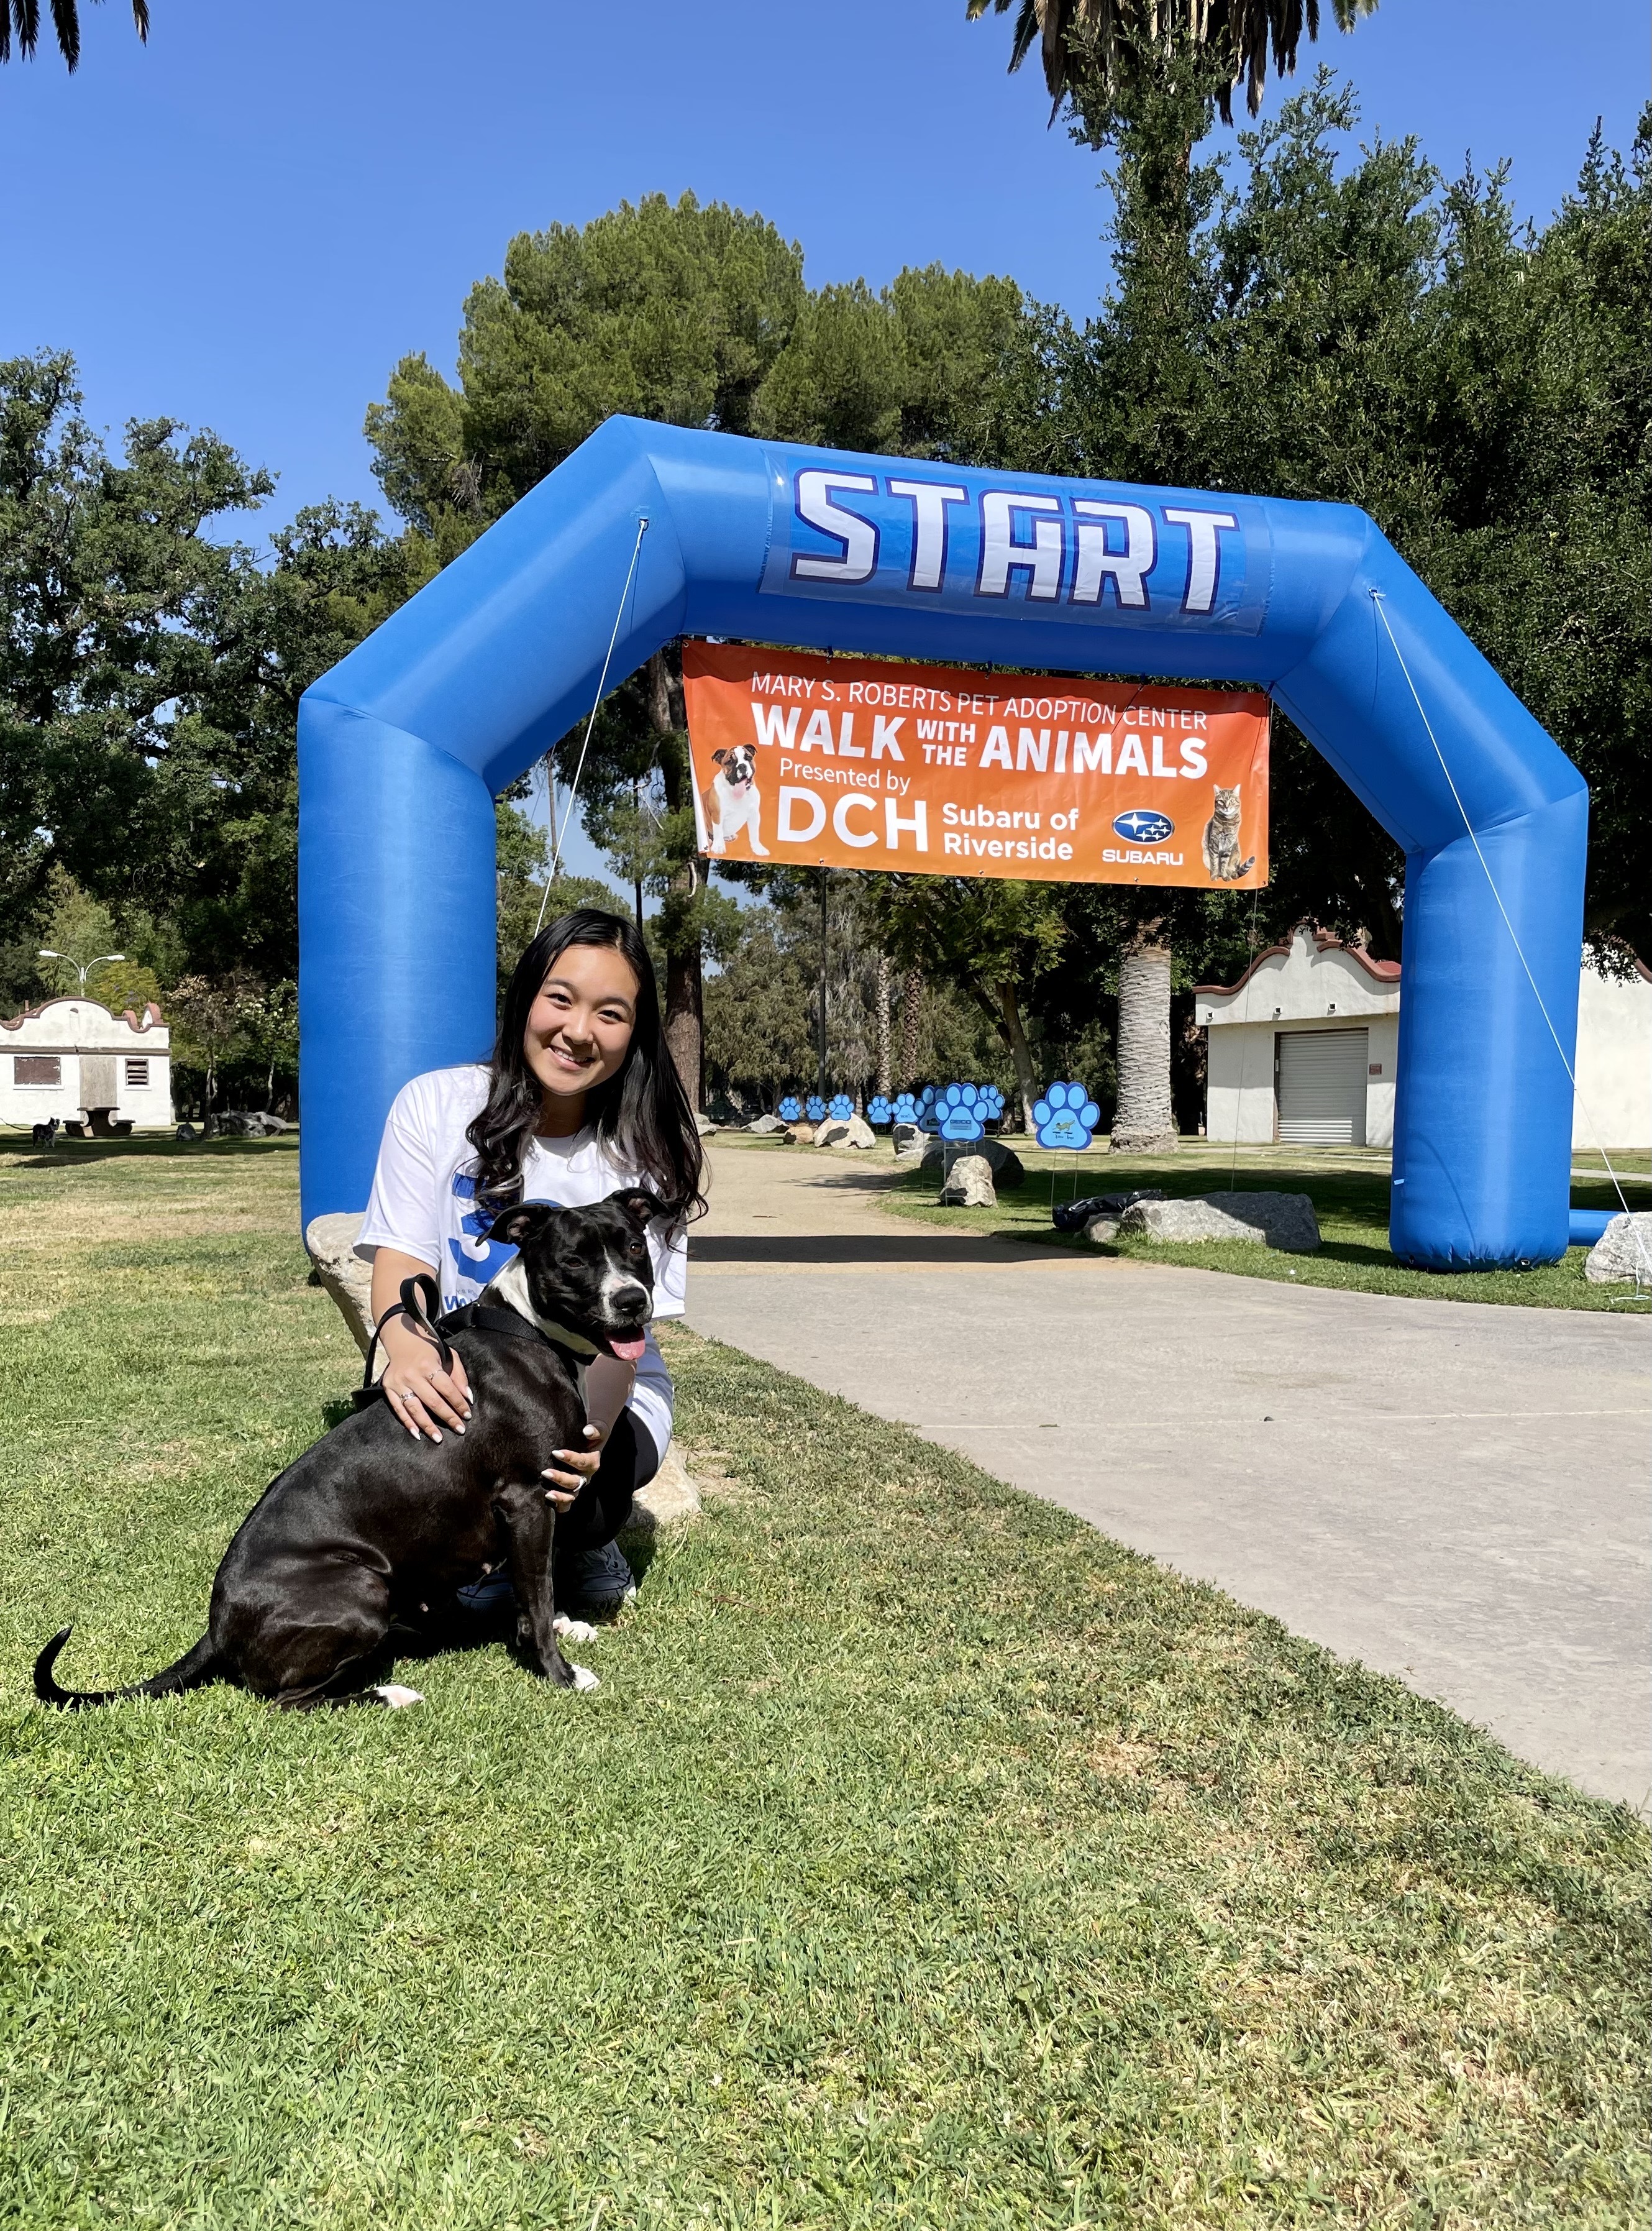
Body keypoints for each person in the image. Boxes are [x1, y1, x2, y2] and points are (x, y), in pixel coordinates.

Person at [354, 907, 705, 1613]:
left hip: (599, 1377)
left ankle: (576, 1541)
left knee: (585, 1495)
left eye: (611, 1013)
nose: (579, 1031)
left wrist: (590, 1440)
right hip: (473, 1360)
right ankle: (474, 1547)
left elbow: (623, 1345)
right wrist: (408, 1350)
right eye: (561, 998)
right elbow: (404, 1260)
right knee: (417, 1452)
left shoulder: (650, 1147)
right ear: (525, 999)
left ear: (634, 1032)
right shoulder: (436, 1104)